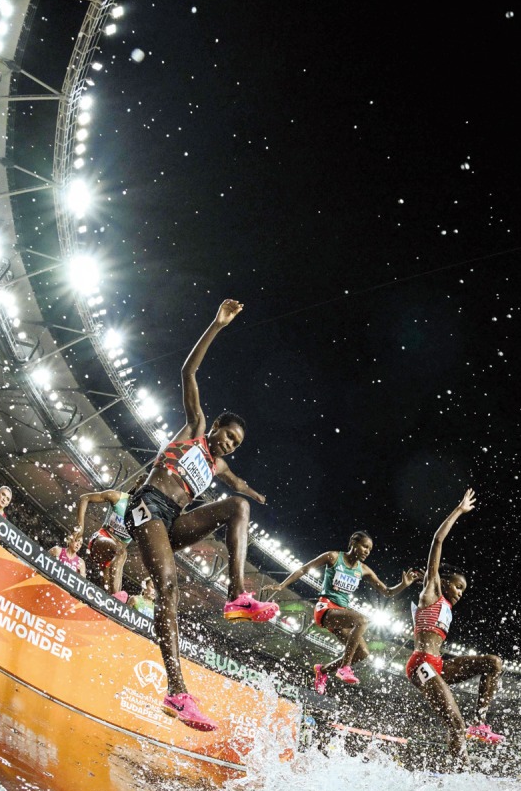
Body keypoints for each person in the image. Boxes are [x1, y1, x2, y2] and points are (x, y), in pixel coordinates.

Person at [125, 299, 278, 733]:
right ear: (214, 429)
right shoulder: (195, 429)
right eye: (227, 436)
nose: (229, 444)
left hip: (173, 519)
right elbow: (188, 373)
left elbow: (239, 487)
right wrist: (216, 325)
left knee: (239, 506)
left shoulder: (220, 466)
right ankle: (177, 692)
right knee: (168, 586)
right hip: (148, 506)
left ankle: (237, 596)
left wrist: (254, 493)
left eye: (235, 442)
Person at [408, 488, 504, 765]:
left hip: (436, 663)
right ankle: (461, 776)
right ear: (444, 580)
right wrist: (459, 511)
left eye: (464, 590)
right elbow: (437, 541)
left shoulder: (447, 609)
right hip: (420, 664)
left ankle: (481, 722)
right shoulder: (431, 593)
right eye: (458, 586)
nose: (461, 592)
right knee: (455, 726)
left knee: (493, 662)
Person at [265, 531, 422, 694]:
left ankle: (322, 670)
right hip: (325, 608)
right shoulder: (333, 557)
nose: (367, 551)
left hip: (341, 613)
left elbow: (387, 592)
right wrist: (282, 585)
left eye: (370, 549)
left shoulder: (364, 570)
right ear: (353, 542)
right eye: (364, 546)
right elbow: (305, 569)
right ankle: (344, 667)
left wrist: (404, 585)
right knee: (362, 620)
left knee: (362, 653)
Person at [75, 489, 132, 597]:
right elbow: (85, 498)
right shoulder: (118, 497)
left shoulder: (145, 519)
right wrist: (80, 527)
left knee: (109, 592)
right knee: (122, 551)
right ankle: (117, 598)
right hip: (100, 540)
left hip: (112, 558)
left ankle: (113, 603)